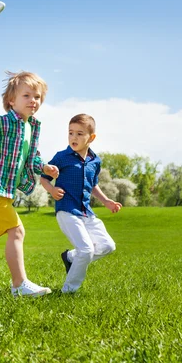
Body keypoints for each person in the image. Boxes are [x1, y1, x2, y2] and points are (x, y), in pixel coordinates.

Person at [0, 71, 59, 297]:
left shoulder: (31, 127)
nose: (33, 100)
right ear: (11, 101)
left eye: (37, 97)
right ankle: (19, 284)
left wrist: (44, 167)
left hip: (6, 192)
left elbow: (31, 156)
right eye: (26, 95)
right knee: (17, 231)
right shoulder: (0, 123)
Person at [40, 114, 121, 293]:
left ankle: (70, 257)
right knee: (86, 250)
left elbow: (93, 185)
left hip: (86, 212)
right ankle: (69, 290)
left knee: (108, 246)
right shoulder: (62, 157)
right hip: (67, 210)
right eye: (70, 133)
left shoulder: (95, 161)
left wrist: (106, 201)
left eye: (79, 134)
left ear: (91, 138)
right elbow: (43, 178)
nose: (73, 138)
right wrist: (52, 190)